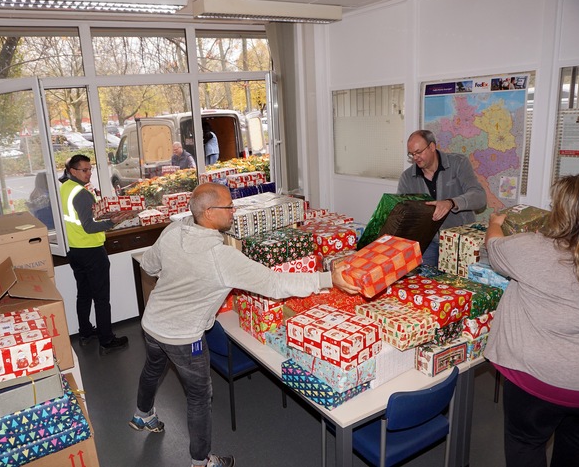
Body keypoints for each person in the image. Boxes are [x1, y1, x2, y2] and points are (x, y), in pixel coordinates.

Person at [128, 182, 361, 467]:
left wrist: (179, 272)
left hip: (152, 324)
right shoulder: (221, 257)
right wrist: (328, 280)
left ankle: (142, 414)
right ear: (210, 212)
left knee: (152, 369)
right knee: (199, 398)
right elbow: (276, 284)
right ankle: (201, 462)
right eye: (228, 206)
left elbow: (149, 266)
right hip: (184, 337)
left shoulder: (173, 231)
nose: (234, 211)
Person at [484, 174, 579, 467]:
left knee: (525, 444)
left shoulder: (533, 248)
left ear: (560, 213)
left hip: (537, 381)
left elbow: (494, 250)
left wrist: (495, 223)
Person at [59, 154, 132, 355]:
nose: (89, 173)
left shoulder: (64, 188)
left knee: (83, 294)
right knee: (101, 298)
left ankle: (85, 333)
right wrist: (113, 221)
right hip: (91, 250)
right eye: (84, 170)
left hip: (74, 251)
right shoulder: (81, 193)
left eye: (90, 169)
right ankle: (107, 340)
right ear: (72, 171)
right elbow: (90, 226)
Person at [397, 129, 486, 266]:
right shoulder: (407, 177)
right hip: (428, 241)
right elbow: (401, 213)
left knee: (456, 283)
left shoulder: (458, 163)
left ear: (432, 147)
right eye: (412, 154)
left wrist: (451, 203)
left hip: (459, 240)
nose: (415, 158)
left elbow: (480, 197)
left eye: (419, 152)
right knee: (423, 280)